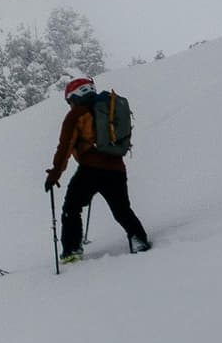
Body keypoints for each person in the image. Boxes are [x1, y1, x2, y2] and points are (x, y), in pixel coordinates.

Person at [44, 74, 149, 260]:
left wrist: (55, 174)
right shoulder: (110, 108)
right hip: (116, 169)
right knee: (122, 209)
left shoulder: (77, 114)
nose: (70, 105)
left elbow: (65, 146)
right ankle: (138, 238)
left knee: (72, 208)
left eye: (70, 101)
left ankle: (72, 249)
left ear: (75, 96)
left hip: (90, 170)